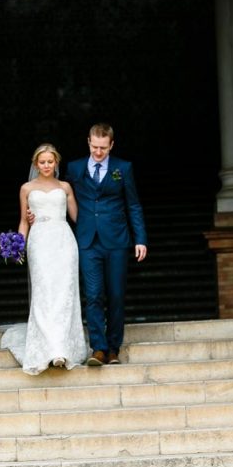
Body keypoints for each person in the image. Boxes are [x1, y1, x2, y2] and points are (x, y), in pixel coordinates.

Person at [0, 144, 89, 374]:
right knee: (44, 293)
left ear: (56, 163)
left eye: (50, 161)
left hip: (64, 241)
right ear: (35, 164)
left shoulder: (65, 187)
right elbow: (23, 220)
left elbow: (78, 217)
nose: (47, 166)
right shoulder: (26, 188)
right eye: (42, 162)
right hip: (39, 241)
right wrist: (17, 246)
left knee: (64, 293)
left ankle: (61, 349)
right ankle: (47, 348)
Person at [65, 123, 147, 365]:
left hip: (117, 241)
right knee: (93, 295)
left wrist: (140, 238)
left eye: (103, 148)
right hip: (87, 240)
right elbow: (62, 196)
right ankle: (98, 348)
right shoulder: (75, 168)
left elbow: (133, 204)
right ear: (88, 142)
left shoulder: (123, 168)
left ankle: (113, 348)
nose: (98, 152)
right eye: (94, 147)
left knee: (116, 295)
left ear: (111, 145)